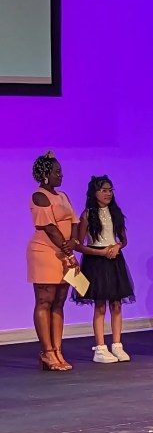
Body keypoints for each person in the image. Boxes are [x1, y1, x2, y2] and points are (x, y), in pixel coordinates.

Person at [71, 175, 136, 363]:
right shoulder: (87, 214)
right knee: (100, 305)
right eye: (104, 190)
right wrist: (99, 252)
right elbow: (78, 245)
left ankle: (117, 345)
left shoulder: (115, 213)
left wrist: (117, 246)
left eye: (110, 190)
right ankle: (100, 348)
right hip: (96, 261)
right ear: (94, 193)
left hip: (114, 259)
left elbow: (123, 240)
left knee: (116, 303)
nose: (108, 194)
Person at [27, 151, 80, 371]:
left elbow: (74, 221)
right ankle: (47, 352)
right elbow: (49, 227)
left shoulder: (63, 196)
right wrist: (67, 250)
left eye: (61, 171)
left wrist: (73, 242)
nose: (61, 175)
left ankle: (57, 350)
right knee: (44, 300)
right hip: (45, 252)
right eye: (57, 172)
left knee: (59, 301)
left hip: (64, 252)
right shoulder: (39, 196)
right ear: (45, 174)